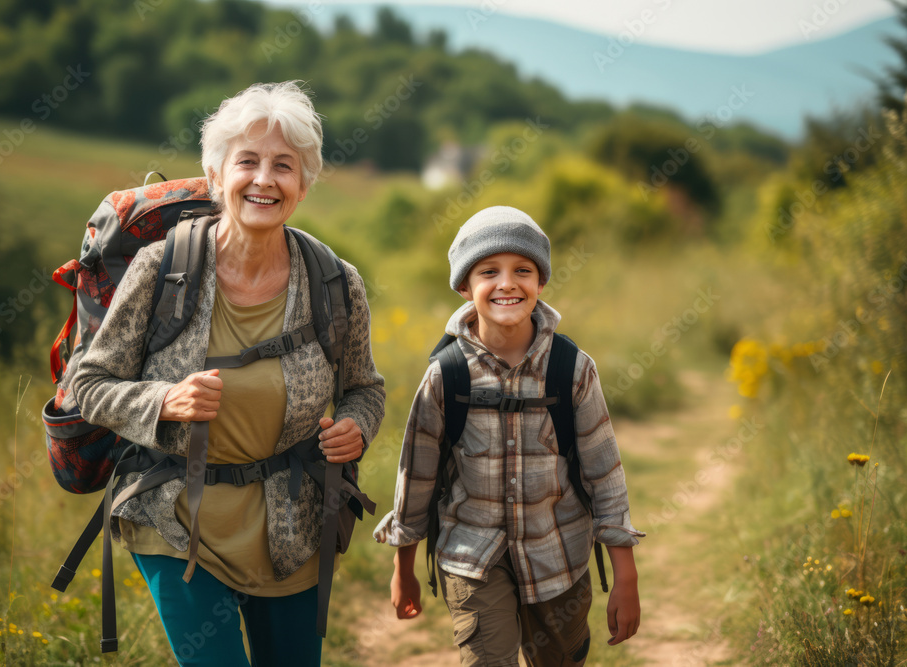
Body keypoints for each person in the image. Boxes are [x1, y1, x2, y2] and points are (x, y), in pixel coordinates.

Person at [71, 81, 385, 666]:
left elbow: (365, 388)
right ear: (216, 176)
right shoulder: (162, 267)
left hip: (291, 529)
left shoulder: (336, 282)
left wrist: (355, 426)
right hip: (173, 517)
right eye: (247, 161)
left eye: (284, 166)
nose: (264, 179)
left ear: (304, 184)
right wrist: (165, 400)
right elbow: (88, 385)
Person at [373, 206, 644, 666]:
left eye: (523, 270)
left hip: (558, 554)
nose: (506, 284)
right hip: (472, 557)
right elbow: (416, 477)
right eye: (488, 271)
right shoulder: (446, 376)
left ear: (541, 282)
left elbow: (604, 473)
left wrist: (626, 576)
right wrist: (404, 569)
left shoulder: (571, 369)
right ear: (465, 285)